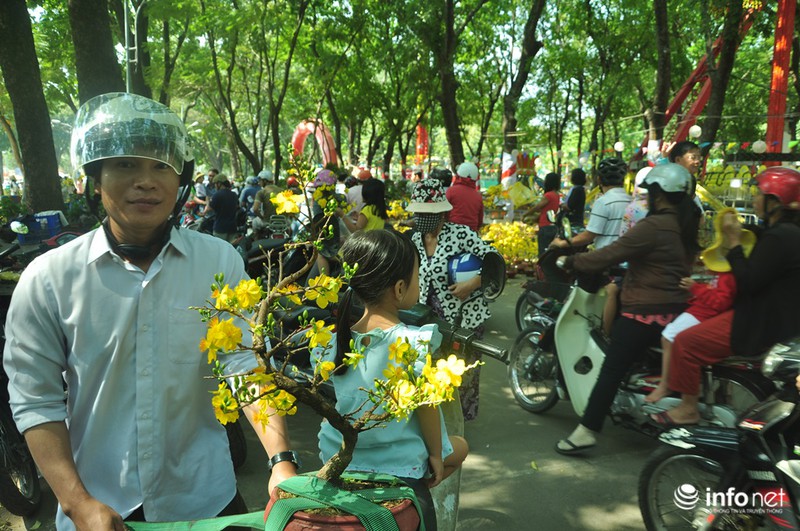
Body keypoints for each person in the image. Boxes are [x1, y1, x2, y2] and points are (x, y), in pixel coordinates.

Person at [3, 92, 297, 530]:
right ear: (94, 180)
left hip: (206, 497)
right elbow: (35, 398)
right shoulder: (48, 279)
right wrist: (77, 502)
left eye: (161, 166)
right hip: (98, 509)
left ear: (180, 181)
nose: (147, 181)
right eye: (125, 164)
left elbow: (244, 363)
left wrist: (282, 460)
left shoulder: (220, 263)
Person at [315, 229, 468, 531]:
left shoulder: (330, 342)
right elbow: (426, 405)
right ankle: (417, 489)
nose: (419, 283)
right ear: (399, 289)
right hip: (397, 464)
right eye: (417, 276)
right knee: (460, 448)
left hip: (336, 458)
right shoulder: (412, 342)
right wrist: (436, 455)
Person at [553, 163, 700, 455]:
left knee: (612, 369)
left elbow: (612, 253)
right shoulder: (685, 223)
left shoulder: (653, 226)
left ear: (658, 194)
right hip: (676, 308)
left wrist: (572, 261)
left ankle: (586, 430)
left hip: (646, 309)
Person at [655, 167, 800, 426]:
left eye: (759, 194)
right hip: (775, 320)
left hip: (758, 322)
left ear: (775, 203)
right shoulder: (786, 234)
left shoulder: (780, 237)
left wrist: (733, 243)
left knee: (685, 343)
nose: (754, 199)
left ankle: (688, 408)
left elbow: (747, 282)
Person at [406, 179, 499, 421]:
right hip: (429, 319)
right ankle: (437, 423)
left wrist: (473, 283)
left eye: (427, 213)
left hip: (465, 318)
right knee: (432, 370)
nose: (421, 217)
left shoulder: (460, 234)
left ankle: (459, 426)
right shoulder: (415, 239)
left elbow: (495, 260)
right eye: (419, 212)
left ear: (441, 213)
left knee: (462, 374)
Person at [645, 208, 752, 404]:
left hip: (705, 313)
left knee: (669, 337)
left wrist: (696, 288)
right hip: (702, 310)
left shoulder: (729, 274)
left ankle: (667, 384)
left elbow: (720, 302)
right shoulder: (726, 270)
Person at [550, 157, 631, 251]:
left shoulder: (603, 202)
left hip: (606, 257)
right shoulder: (632, 201)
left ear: (599, 179)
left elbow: (589, 236)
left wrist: (562, 243)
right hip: (628, 257)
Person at [525, 172, 561, 256]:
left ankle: (542, 269)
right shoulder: (556, 195)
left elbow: (538, 207)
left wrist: (526, 214)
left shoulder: (548, 195)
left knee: (543, 253)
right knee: (550, 252)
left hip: (545, 227)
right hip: (553, 226)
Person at [446, 162, 483, 232]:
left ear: (458, 176)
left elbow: (444, 214)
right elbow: (480, 220)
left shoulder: (451, 191)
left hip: (452, 232)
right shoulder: (478, 196)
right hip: (471, 234)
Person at [204, 173, 241, 243]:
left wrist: (207, 201)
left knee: (219, 251)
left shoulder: (217, 195)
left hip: (220, 228)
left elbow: (208, 209)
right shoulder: (234, 195)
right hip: (232, 228)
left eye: (215, 184)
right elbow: (237, 206)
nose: (215, 186)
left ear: (219, 184)